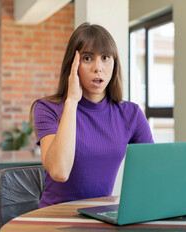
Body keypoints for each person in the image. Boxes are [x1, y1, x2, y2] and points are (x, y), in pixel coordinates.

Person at [29, 22, 154, 208]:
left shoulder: (131, 114)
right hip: (54, 218)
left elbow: (155, 170)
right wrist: (71, 101)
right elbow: (59, 171)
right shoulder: (47, 108)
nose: (98, 67)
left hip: (100, 217)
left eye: (105, 57)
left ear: (114, 63)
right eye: (87, 58)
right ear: (73, 64)